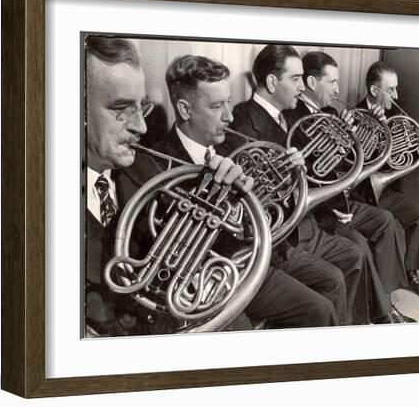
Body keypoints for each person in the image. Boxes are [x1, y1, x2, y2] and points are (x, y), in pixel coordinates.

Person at [84, 35, 335, 336]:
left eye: (143, 109)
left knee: (321, 304)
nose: (141, 127)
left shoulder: (220, 150)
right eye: (121, 109)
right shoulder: (153, 168)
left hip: (229, 269)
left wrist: (248, 194)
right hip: (176, 305)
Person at [154, 53, 340, 328]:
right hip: (204, 282)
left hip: (247, 263)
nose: (229, 116)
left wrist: (287, 177)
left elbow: (256, 218)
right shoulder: (159, 162)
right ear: (185, 110)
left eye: (228, 103)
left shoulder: (226, 145)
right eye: (217, 106)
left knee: (319, 309)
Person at [218, 44, 372, 325]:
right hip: (278, 239)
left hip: (305, 223)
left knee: (354, 255)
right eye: (295, 79)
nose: (302, 87)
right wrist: (287, 172)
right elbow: (248, 196)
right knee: (335, 277)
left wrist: (339, 146)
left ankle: (350, 330)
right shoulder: (242, 121)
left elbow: (315, 171)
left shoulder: (288, 117)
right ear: (272, 82)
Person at [290, 51, 415, 323]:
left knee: (386, 220)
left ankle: (386, 298)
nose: (338, 89)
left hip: (344, 201)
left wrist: (363, 134)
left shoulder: (333, 112)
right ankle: (378, 315)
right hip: (325, 209)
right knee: (358, 246)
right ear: (312, 83)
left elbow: (349, 163)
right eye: (332, 82)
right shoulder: (294, 118)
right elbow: (313, 174)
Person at [356, 61, 419, 300]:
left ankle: (410, 274)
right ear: (374, 90)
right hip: (361, 194)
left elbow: (401, 160)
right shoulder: (354, 116)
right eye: (391, 89)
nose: (396, 95)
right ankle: (384, 298)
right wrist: (369, 128)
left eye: (396, 89)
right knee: (390, 223)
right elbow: (352, 164)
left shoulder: (396, 116)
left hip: (383, 191)